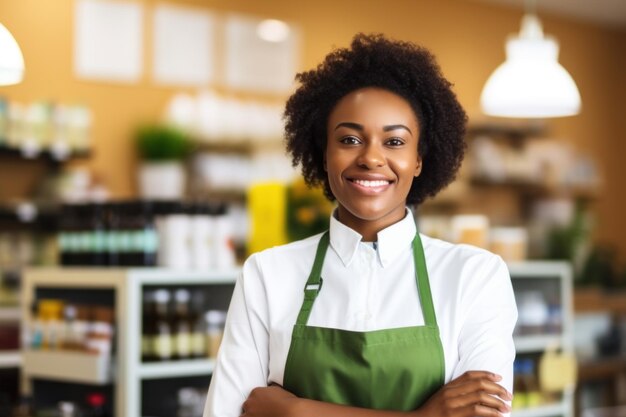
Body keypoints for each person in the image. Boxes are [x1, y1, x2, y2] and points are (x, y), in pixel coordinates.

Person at [204, 33, 517, 417]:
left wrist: (299, 412)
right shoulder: (267, 275)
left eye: (395, 142)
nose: (371, 158)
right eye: (350, 139)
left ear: (419, 159)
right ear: (324, 155)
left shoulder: (475, 276)